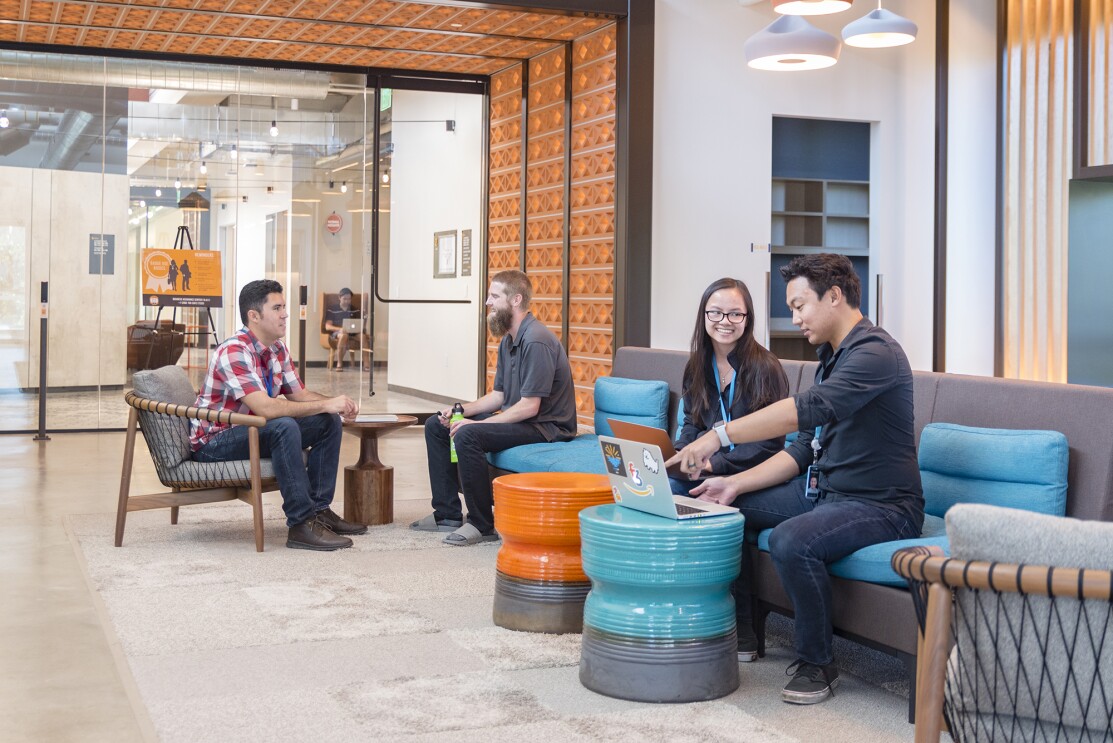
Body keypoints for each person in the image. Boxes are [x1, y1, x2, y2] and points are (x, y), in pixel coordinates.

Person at [667, 253, 924, 706]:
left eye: (800, 305)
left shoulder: (876, 354)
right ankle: (744, 630)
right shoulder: (832, 357)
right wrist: (735, 486)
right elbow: (802, 448)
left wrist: (717, 436)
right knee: (722, 507)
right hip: (828, 493)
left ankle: (817, 662)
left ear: (835, 297)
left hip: (885, 507)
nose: (795, 317)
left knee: (791, 540)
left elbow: (808, 410)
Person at [190, 279, 366, 551]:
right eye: (277, 308)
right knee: (283, 426)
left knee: (327, 422)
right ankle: (300, 524)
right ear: (254, 316)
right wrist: (326, 404)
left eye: (284, 306)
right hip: (215, 441)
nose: (285, 314)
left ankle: (319, 511)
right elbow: (266, 408)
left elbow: (299, 395)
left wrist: (334, 404)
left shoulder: (277, 348)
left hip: (250, 429)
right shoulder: (234, 351)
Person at [413, 269, 577, 546]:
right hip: (522, 419)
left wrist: (475, 425)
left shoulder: (536, 340)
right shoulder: (508, 340)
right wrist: (460, 411)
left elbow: (529, 407)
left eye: (493, 296)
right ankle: (447, 515)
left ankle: (481, 524)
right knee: (437, 425)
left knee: (467, 434)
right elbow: (499, 397)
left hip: (547, 427)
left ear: (515, 300)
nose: (487, 302)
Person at [671, 277, 789, 496]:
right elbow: (692, 422)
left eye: (735, 314)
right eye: (715, 312)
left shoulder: (765, 368)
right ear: (704, 316)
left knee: (671, 491)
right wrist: (681, 453)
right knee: (654, 484)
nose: (725, 321)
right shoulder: (697, 365)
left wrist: (714, 464)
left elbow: (770, 443)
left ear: (747, 319)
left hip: (749, 473)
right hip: (707, 468)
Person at [324, 287, 359, 371]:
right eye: (344, 299)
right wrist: (340, 329)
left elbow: (358, 324)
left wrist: (355, 329)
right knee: (343, 336)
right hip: (338, 333)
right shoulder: (332, 309)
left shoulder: (354, 309)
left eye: (349, 299)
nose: (347, 301)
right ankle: (339, 363)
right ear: (339, 298)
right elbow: (327, 326)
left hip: (352, 332)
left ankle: (366, 365)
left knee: (363, 337)